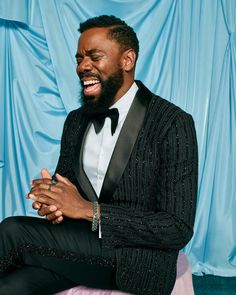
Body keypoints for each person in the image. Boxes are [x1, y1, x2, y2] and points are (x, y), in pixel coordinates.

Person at [0, 15, 198, 295]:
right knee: (10, 286)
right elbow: (68, 191)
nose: (82, 66)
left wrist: (90, 211)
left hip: (135, 261)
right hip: (78, 248)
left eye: (94, 56)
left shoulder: (172, 123)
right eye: (79, 58)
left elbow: (176, 227)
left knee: (13, 231)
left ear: (127, 60)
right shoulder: (76, 120)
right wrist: (54, 203)